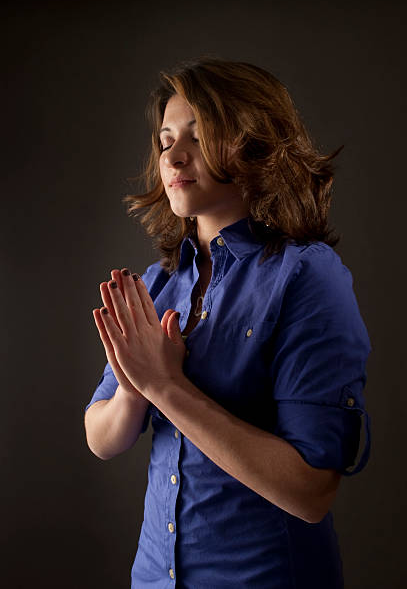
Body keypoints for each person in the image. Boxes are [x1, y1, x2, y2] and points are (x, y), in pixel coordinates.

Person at [84, 57, 371, 589]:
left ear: (254, 142)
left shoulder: (306, 277)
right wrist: (132, 390)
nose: (173, 153)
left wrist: (166, 387)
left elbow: (311, 493)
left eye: (199, 134)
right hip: (153, 578)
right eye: (165, 138)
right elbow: (101, 437)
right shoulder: (157, 282)